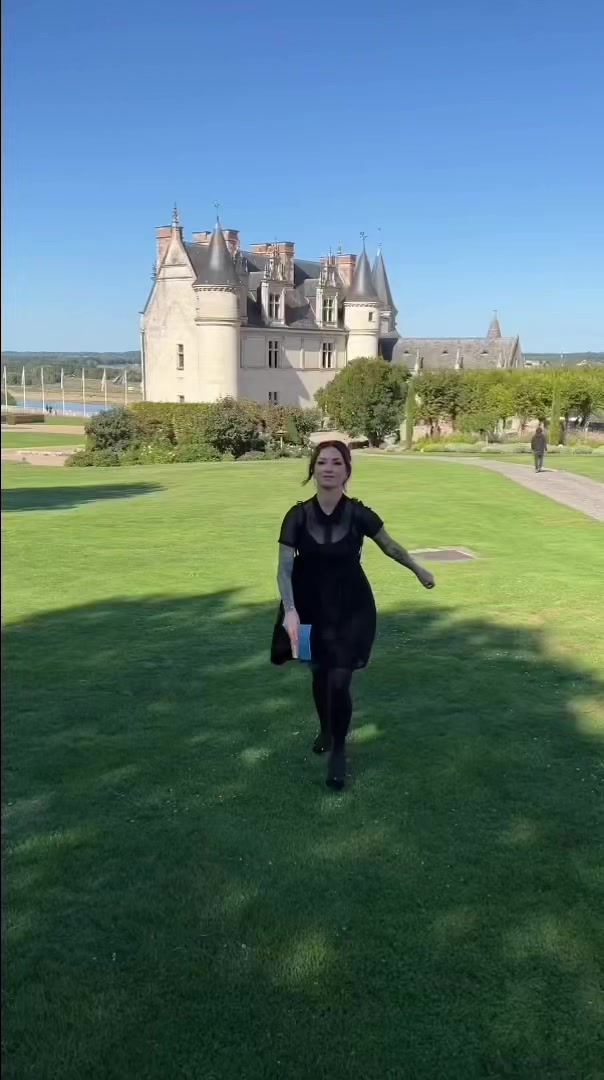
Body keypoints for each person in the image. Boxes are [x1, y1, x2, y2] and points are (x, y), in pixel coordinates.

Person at [271, 440, 435, 791]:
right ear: (313, 469)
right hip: (307, 609)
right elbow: (284, 570)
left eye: (336, 463)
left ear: (347, 470)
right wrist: (290, 611)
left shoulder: (359, 513)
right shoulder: (296, 516)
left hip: (352, 608)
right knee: (319, 675)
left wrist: (418, 569)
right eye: (321, 462)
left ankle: (340, 752)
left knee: (339, 680)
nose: (328, 468)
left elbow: (390, 546)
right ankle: (326, 730)